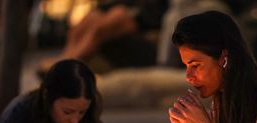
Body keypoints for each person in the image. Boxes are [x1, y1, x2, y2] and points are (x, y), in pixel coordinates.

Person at [38, 0, 168, 76]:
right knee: (89, 19)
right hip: (130, 11)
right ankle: (66, 56)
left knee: (109, 21)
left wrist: (130, 14)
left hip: (147, 21)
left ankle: (69, 66)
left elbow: (153, 10)